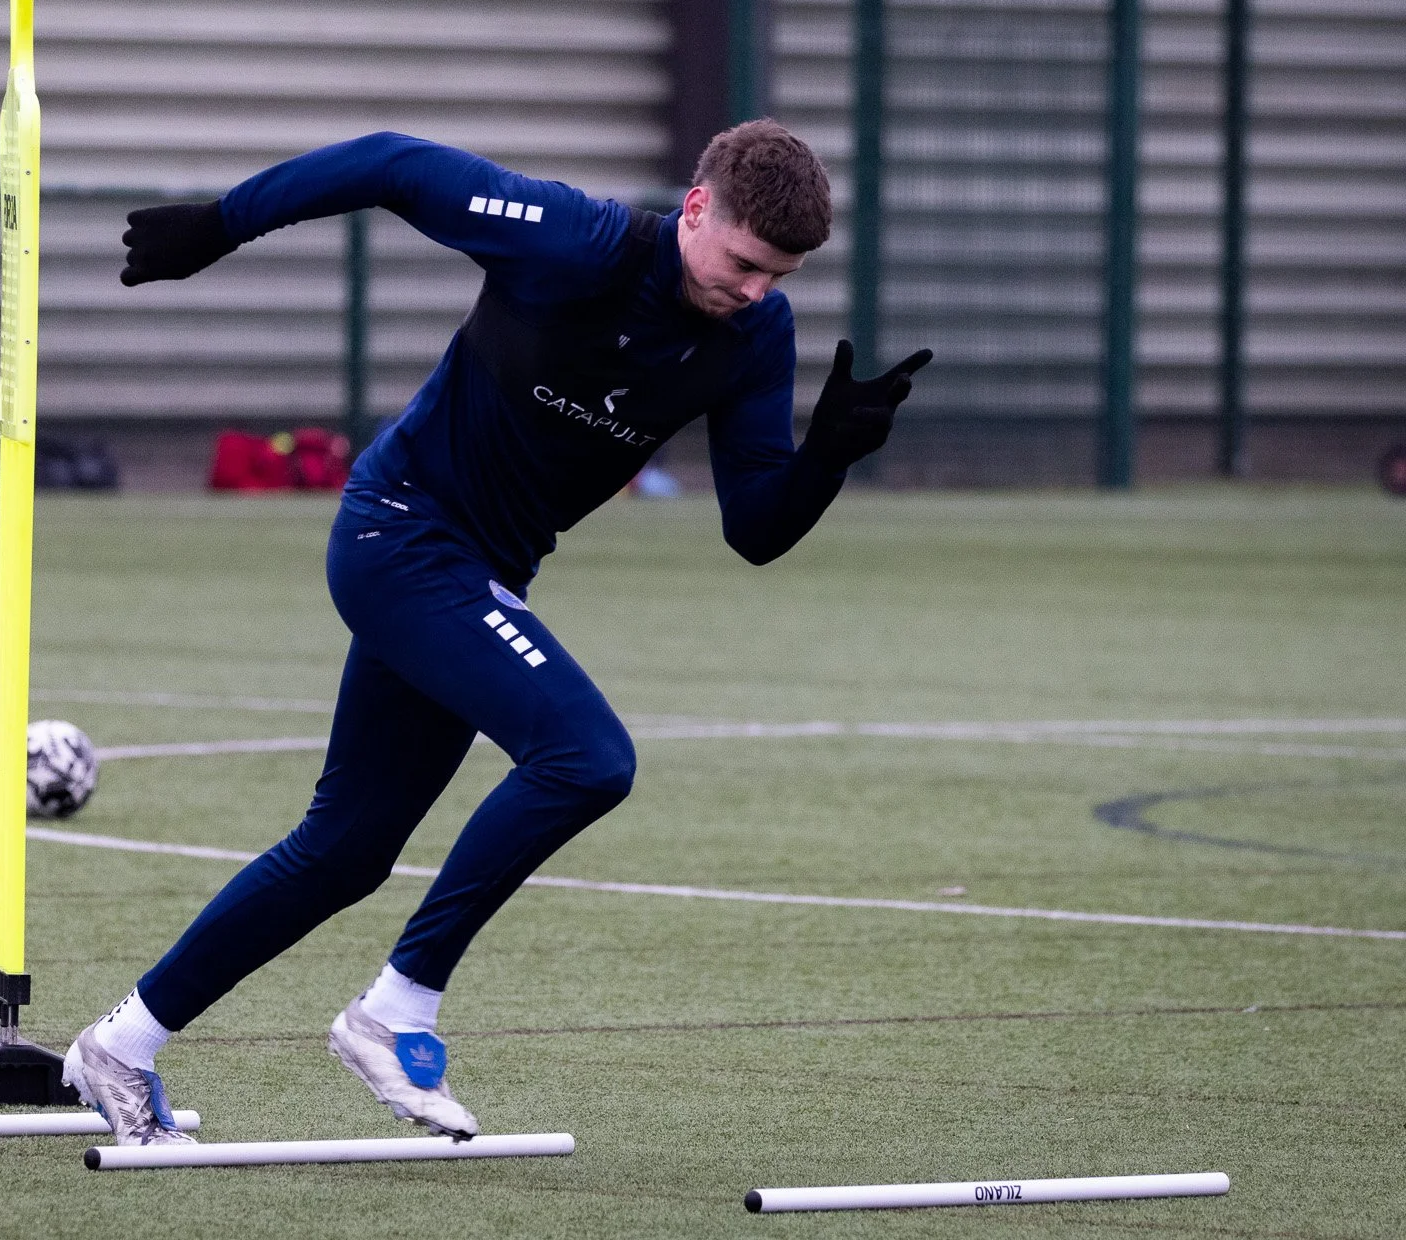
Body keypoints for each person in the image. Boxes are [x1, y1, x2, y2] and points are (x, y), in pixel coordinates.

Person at [61, 121, 932, 1146]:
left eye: (776, 275)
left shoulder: (756, 334)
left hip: (473, 575)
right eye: (743, 262)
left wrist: (824, 455)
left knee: (343, 851)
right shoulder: (576, 241)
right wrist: (221, 225)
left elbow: (754, 531)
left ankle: (116, 1046)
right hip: (399, 536)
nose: (753, 289)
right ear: (696, 209)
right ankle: (396, 1008)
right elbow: (391, 162)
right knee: (586, 756)